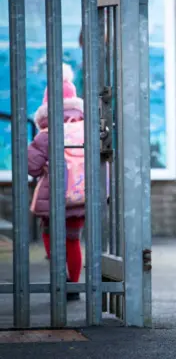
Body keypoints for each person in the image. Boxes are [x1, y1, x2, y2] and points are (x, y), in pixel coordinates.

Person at [28, 64, 86, 302]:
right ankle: (74, 285)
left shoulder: (46, 134)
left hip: (54, 198)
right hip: (81, 196)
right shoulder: (85, 130)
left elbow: (31, 166)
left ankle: (59, 277)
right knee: (73, 240)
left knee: (51, 235)